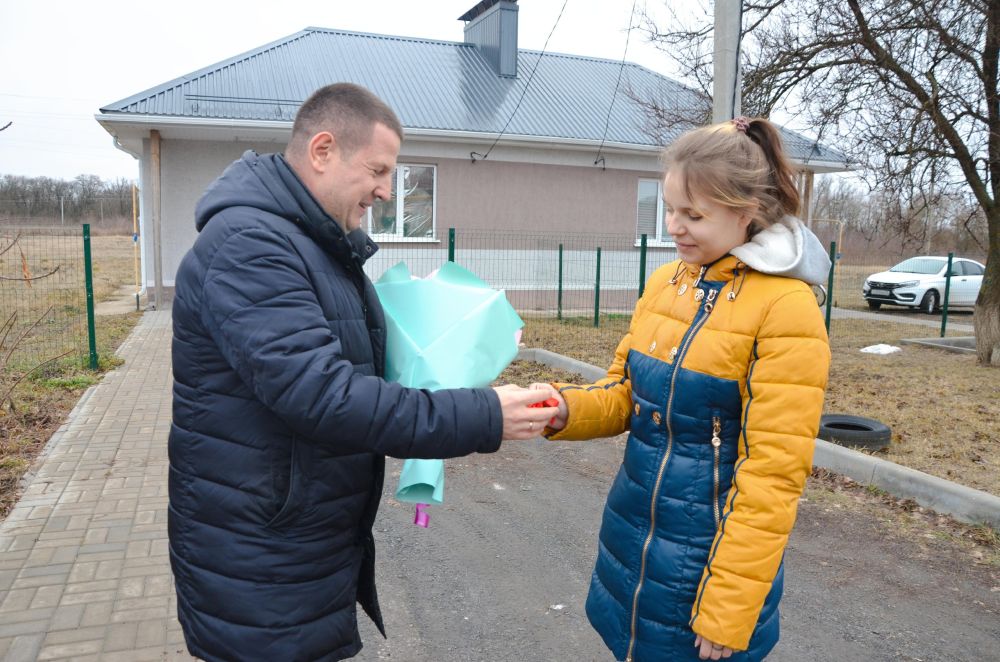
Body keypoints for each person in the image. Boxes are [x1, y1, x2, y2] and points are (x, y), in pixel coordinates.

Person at [168, 82, 557, 662]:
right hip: (260, 554)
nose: (385, 188)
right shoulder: (252, 245)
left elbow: (352, 356)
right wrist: (484, 416)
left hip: (293, 538)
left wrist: (472, 339)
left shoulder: (314, 243)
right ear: (323, 151)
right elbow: (325, 396)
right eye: (378, 169)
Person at [532, 117, 832, 661]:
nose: (675, 226)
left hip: (708, 574)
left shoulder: (787, 308)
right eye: (669, 209)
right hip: (636, 548)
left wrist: (729, 609)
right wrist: (562, 409)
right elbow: (625, 392)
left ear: (747, 213)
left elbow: (773, 476)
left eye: (694, 214)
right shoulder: (668, 283)